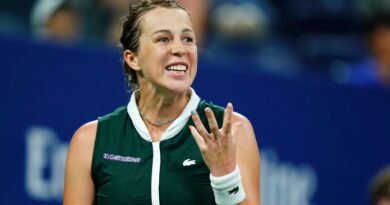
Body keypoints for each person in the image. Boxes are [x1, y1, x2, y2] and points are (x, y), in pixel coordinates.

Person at [63, 0, 260, 204]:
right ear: (133, 59)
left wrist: (225, 175)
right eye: (163, 39)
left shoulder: (231, 130)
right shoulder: (90, 140)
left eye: (188, 39)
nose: (180, 49)